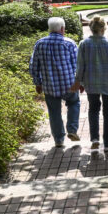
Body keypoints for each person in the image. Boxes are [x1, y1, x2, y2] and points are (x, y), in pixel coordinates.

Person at [74, 16, 108, 152]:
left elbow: (80, 65)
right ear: (103, 29)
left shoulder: (83, 44)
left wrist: (78, 80)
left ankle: (95, 139)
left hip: (91, 83)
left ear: (91, 29)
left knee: (93, 110)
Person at [29, 16, 81, 148]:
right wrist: (80, 82)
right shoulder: (69, 43)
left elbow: (34, 66)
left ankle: (59, 140)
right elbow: (77, 65)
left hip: (49, 85)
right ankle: (72, 130)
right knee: (74, 103)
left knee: (54, 112)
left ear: (49, 29)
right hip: (69, 83)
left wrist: (37, 83)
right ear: (62, 29)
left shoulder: (40, 44)